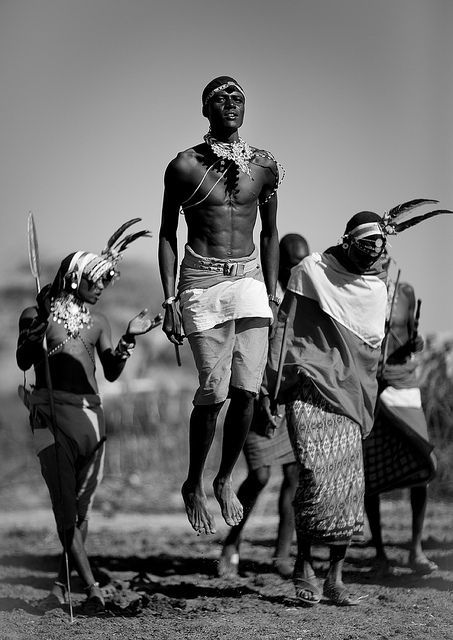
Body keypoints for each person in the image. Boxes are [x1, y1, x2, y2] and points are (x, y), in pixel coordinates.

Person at [158, 76, 282, 535]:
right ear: (206, 110)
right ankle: (193, 482)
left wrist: (271, 291)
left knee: (248, 390)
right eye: (220, 98)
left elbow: (270, 232)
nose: (230, 103)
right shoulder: (185, 166)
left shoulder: (263, 167)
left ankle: (225, 477)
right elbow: (168, 233)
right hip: (201, 280)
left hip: (249, 278)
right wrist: (169, 298)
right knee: (214, 391)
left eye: (238, 97)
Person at [16, 220, 162, 612]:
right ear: (75, 278)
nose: (101, 288)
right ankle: (93, 589)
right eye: (95, 281)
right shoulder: (35, 314)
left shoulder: (99, 324)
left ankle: (62, 587)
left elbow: (111, 371)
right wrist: (37, 330)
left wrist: (130, 336)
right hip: (49, 418)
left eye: (105, 282)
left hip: (91, 421)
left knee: (80, 510)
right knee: (64, 505)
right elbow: (22, 360)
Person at [262, 211, 390, 606]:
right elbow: (285, 330)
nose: (369, 257)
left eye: (376, 251)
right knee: (315, 476)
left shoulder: (376, 289)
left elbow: (371, 355)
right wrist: (271, 389)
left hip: (351, 396)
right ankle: (303, 565)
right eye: (363, 247)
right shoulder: (312, 271)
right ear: (348, 240)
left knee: (350, 486)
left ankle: (334, 576)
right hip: (310, 387)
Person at [218, 234, 310, 579]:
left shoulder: (304, 303)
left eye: (304, 263)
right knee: (259, 475)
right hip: (256, 401)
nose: (298, 270)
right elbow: (243, 354)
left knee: (293, 476)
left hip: (288, 403)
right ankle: (232, 542)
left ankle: (282, 555)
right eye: (292, 265)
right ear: (281, 265)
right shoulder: (263, 300)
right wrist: (258, 398)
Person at [364, 278, 438, 576]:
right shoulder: (362, 288)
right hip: (371, 386)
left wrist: (415, 343)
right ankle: (379, 552)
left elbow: (411, 336)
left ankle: (416, 549)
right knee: (370, 470)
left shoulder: (405, 291)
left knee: (423, 459)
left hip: (404, 385)